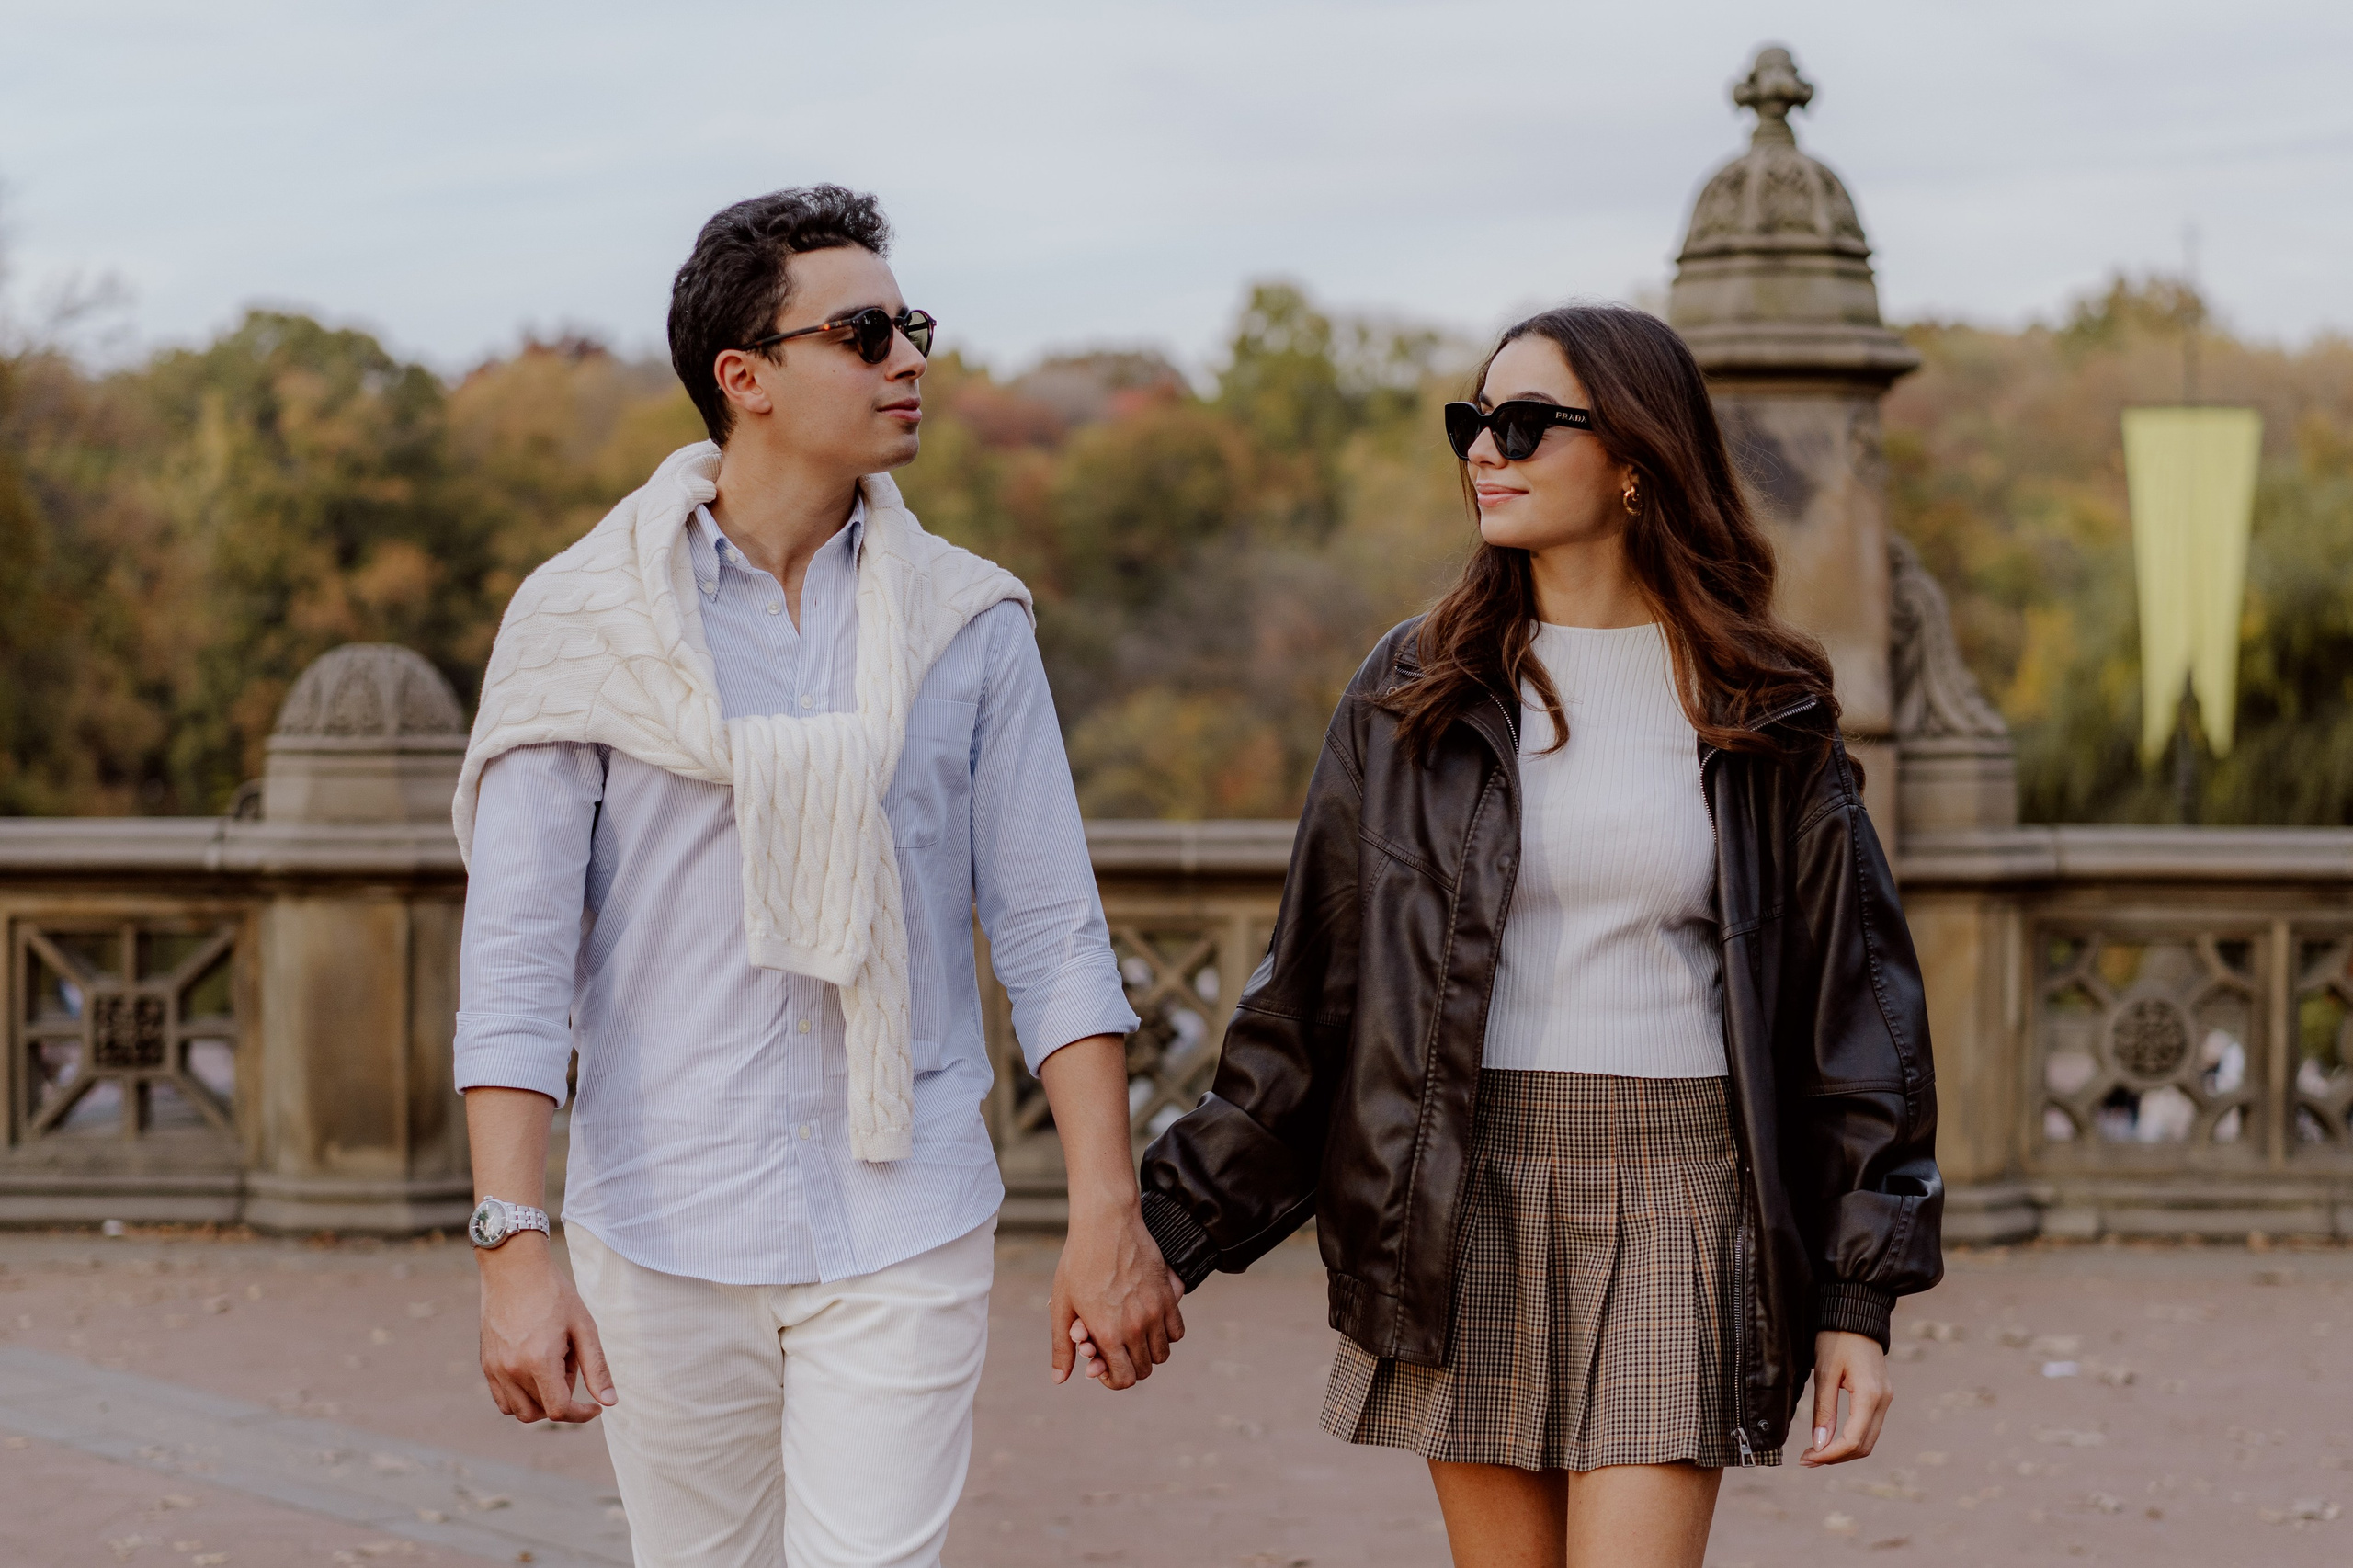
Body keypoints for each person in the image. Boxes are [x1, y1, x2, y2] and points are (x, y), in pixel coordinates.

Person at [1119, 304, 1944, 1567]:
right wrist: (1166, 1235)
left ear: (1634, 457)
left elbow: (1858, 1015)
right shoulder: (1414, 693)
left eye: (1521, 424)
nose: (1483, 453)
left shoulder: (1764, 705)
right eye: (1472, 422)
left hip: (1684, 1183)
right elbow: (1313, 997)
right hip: (1468, 1181)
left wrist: (1856, 1303)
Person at [449, 185, 1182, 1568]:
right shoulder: (579, 623)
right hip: (661, 1214)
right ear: (748, 379)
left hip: (902, 1207)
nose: (907, 356)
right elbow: (518, 963)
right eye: (863, 330)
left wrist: (1107, 1210)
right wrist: (512, 1244)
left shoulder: (969, 621)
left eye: (912, 325)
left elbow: (1051, 931)